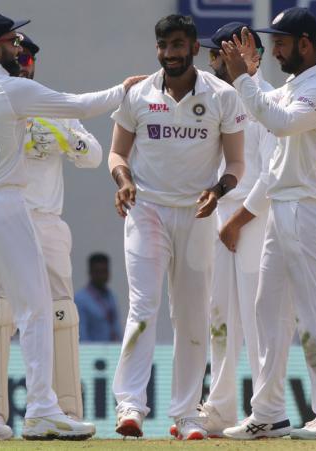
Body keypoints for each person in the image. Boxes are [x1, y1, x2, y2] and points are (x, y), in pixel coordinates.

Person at [0, 11, 144, 441]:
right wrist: (123, 90)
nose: (18, 49)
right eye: (12, 42)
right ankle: (41, 410)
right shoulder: (12, 88)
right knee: (35, 310)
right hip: (3, 204)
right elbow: (79, 106)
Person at [108, 14, 246, 440]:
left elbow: (237, 164)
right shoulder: (137, 94)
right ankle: (130, 407)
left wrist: (218, 191)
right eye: (164, 46)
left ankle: (186, 414)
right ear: (158, 50)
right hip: (146, 210)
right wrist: (124, 182)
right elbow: (116, 155)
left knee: (190, 316)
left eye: (178, 45)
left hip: (196, 214)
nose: (171, 54)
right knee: (143, 307)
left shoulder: (222, 96)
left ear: (193, 48)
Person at [219, 7, 316, 440]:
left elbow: (277, 121)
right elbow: (264, 106)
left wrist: (241, 78)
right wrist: (251, 77)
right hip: (283, 206)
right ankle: (269, 413)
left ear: (305, 44)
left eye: (281, 42)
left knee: (315, 314)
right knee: (268, 311)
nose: (274, 48)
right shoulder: (297, 83)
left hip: (308, 208)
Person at [0, 32, 105, 423]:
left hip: (47, 222)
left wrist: (65, 138)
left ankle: (65, 408)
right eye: (17, 58)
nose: (23, 65)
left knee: (60, 311)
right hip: (6, 216)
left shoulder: (53, 103)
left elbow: (94, 157)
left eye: (27, 60)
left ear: (34, 63)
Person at [195, 23, 277, 437]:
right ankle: (221, 408)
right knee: (220, 315)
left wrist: (238, 220)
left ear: (251, 55)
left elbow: (269, 175)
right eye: (213, 55)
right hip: (222, 218)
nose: (213, 62)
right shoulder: (218, 99)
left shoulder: (266, 99)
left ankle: (265, 409)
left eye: (221, 53)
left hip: (253, 220)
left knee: (257, 315)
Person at [75, 253, 122, 342]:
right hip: (93, 353)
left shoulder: (111, 297)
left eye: (104, 271)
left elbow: (116, 328)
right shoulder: (80, 300)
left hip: (112, 351)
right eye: (97, 272)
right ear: (90, 273)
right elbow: (81, 334)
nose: (101, 276)